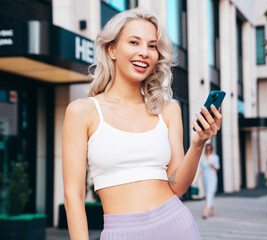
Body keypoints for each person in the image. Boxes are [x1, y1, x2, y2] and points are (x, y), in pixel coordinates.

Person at [62, 8, 223, 240]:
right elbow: (73, 196)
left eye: (152, 46)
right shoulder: (82, 111)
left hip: (177, 226)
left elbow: (177, 187)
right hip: (121, 232)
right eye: (134, 42)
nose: (144, 52)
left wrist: (198, 143)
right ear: (113, 49)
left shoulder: (168, 110)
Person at [196, 143, 220, 219]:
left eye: (210, 149)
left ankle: (205, 212)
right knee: (207, 194)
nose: (208, 151)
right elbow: (201, 169)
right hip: (205, 177)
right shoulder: (202, 158)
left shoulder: (215, 157)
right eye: (207, 149)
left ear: (211, 149)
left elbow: (217, 168)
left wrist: (213, 166)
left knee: (210, 193)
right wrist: (197, 179)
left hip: (212, 177)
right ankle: (213, 211)